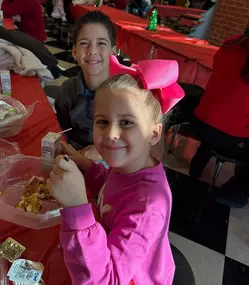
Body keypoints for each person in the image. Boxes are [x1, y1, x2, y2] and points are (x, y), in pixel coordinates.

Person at [47, 56, 185, 284]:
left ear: (154, 133)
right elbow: (111, 186)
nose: (110, 134)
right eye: (102, 121)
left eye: (127, 122)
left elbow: (105, 280)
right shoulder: (126, 167)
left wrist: (78, 209)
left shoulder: (147, 207)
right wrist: (86, 165)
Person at [190, 27, 249, 208]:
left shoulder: (231, 42)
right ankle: (234, 192)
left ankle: (197, 164)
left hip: (200, 123)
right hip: (230, 137)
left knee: (222, 114)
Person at [55, 11, 116, 151]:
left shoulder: (126, 94)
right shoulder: (67, 91)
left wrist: (101, 152)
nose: (92, 51)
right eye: (84, 43)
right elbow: (62, 132)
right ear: (74, 52)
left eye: (101, 43)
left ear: (113, 52)